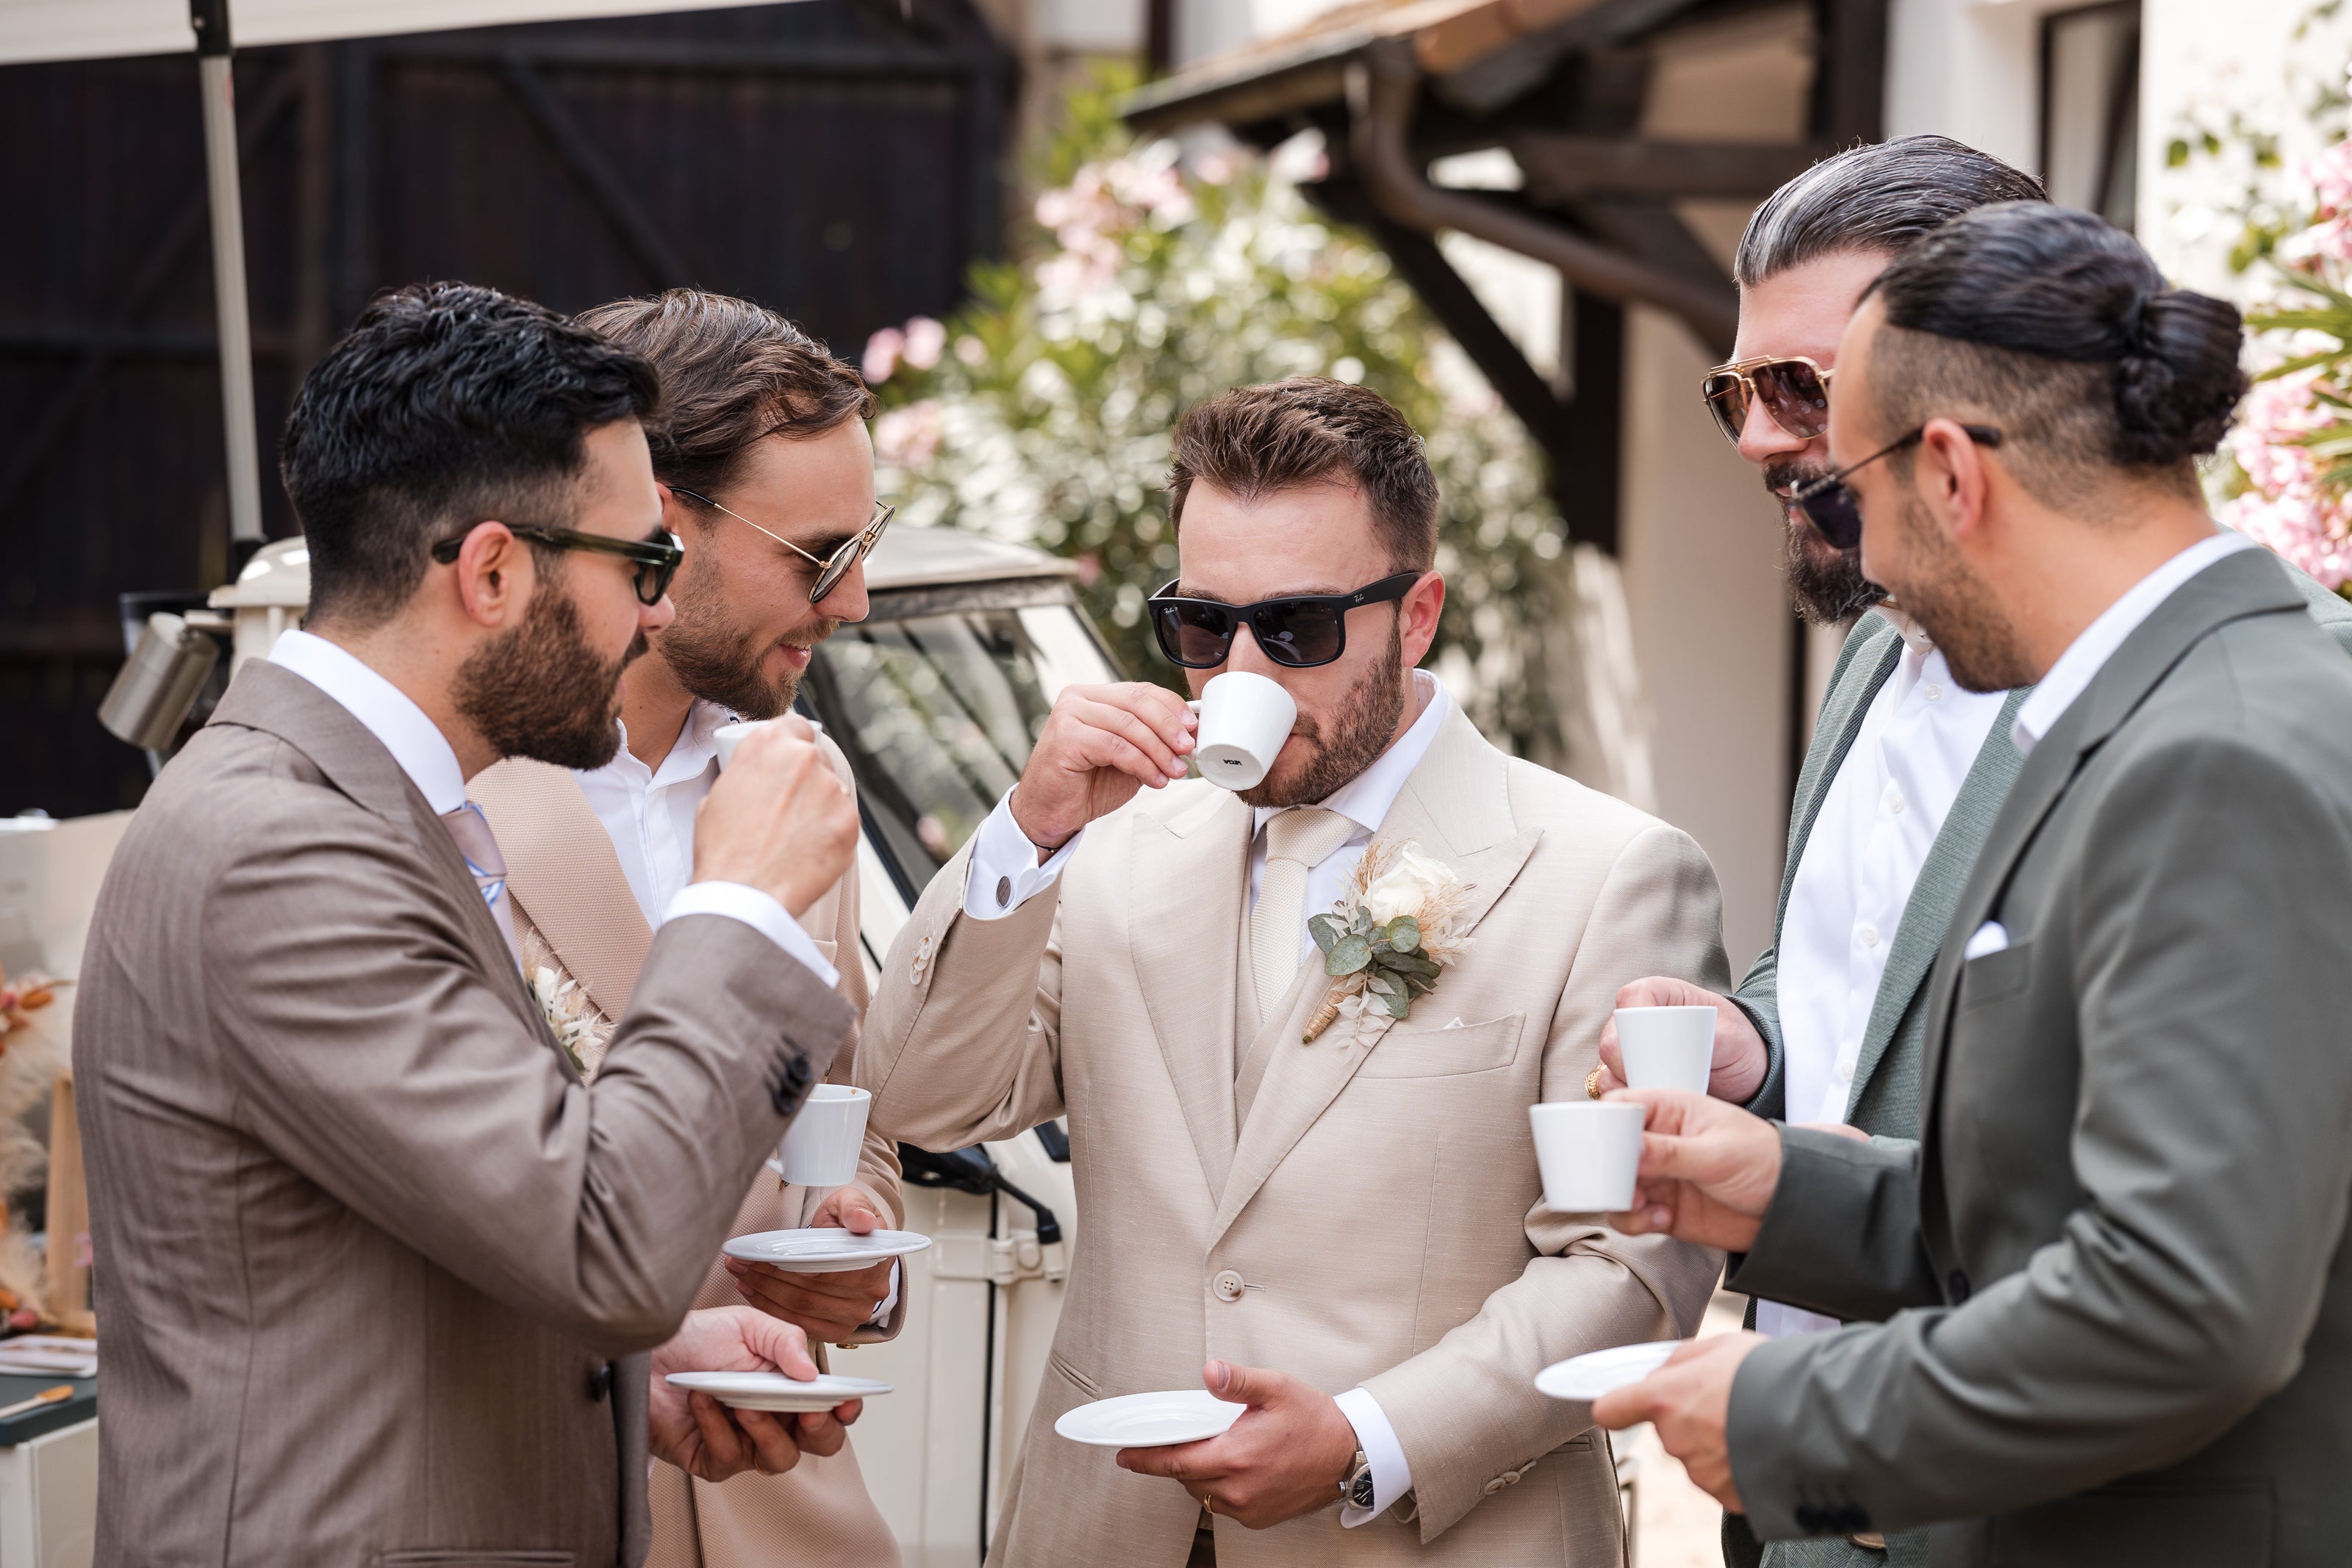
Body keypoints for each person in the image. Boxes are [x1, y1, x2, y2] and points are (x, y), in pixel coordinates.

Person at [1591, 136, 2352, 1568]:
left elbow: (2182, 1298)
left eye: (1857, 484)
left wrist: (1787, 1416)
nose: (1863, 563)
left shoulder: (2214, 754)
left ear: (1948, 472)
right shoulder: (2156, 702)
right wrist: (1777, 1187)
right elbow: (2042, 1181)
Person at [858, 378, 1729, 1566]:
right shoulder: (1113, 842)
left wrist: (1369, 1434)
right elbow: (916, 1096)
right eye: (1203, 628)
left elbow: (1632, 1268)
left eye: (1300, 628)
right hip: (1108, 1531)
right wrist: (1026, 831)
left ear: (1416, 615)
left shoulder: (1607, 873)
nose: (1243, 676)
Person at [74, 283, 869, 1567]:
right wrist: (739, 903)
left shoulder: (346, 805)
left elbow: (426, 1224)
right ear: (495, 571)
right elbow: (603, 1239)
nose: (659, 615)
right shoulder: (281, 848)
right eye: (642, 565)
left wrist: (639, 1368)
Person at [473, 289, 905, 1568]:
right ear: (661, 525)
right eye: (819, 555)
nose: (858, 600)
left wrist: (854, 1258)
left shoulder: (799, 777)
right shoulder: (448, 789)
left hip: (792, 1511)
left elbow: (845, 1112)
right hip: (547, 1506)